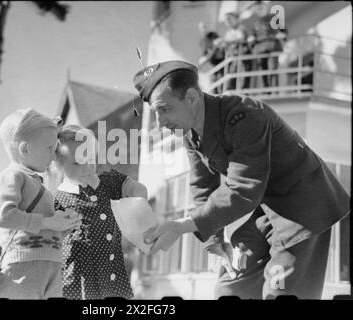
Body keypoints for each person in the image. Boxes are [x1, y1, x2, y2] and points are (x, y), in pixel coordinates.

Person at [132, 60, 350, 299]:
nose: (160, 123)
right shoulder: (190, 133)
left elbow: (244, 189)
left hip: (302, 209)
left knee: (281, 291)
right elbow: (202, 187)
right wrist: (213, 242)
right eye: (155, 113)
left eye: (165, 109)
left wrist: (181, 226)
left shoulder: (245, 115)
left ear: (192, 97)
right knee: (231, 287)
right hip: (264, 209)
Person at [0, 108, 82, 299]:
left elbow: (43, 229)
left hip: (51, 268)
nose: (54, 155)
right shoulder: (11, 176)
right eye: (49, 148)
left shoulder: (41, 186)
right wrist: (51, 222)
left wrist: (66, 225)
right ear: (25, 149)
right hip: (21, 269)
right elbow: (4, 216)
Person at [52, 124, 148, 299]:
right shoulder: (58, 199)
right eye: (77, 162)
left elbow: (135, 188)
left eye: (90, 159)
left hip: (111, 272)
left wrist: (138, 204)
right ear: (59, 165)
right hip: (78, 277)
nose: (87, 167)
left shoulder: (108, 182)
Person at [247, 1, 287, 90]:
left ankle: (273, 90)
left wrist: (280, 35)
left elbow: (283, 32)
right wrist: (251, 39)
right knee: (263, 70)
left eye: (261, 8)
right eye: (257, 9)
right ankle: (267, 90)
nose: (259, 10)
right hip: (260, 49)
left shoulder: (274, 18)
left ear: (265, 8)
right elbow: (251, 37)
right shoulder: (255, 23)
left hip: (273, 47)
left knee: (273, 69)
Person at [222, 12, 252, 90]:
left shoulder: (241, 28)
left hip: (243, 56)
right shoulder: (228, 32)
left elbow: (242, 39)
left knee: (242, 74)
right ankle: (231, 90)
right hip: (233, 57)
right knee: (232, 73)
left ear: (236, 19)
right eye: (226, 20)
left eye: (230, 19)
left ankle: (244, 91)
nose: (228, 21)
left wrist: (229, 41)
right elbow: (225, 44)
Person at [198, 26, 225, 94]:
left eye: (204, 27)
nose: (203, 30)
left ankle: (220, 94)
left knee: (220, 78)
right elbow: (205, 54)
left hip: (221, 60)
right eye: (201, 28)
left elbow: (219, 43)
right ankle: (215, 94)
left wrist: (215, 47)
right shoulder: (203, 41)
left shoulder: (213, 35)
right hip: (214, 62)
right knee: (214, 79)